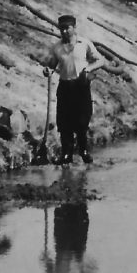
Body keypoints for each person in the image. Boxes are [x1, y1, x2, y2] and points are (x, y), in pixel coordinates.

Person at [41, 14, 106, 164]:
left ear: (74, 28)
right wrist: (47, 70)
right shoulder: (57, 47)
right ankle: (66, 154)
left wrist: (88, 69)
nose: (64, 32)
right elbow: (51, 65)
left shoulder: (84, 44)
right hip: (65, 86)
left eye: (67, 28)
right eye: (61, 29)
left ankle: (83, 151)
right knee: (64, 123)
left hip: (81, 86)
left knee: (82, 121)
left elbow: (100, 60)